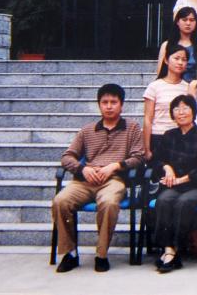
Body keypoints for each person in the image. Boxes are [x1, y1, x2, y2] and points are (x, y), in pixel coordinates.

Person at [52, 83, 144, 273]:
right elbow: (67, 157)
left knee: (109, 203)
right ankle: (70, 254)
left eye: (113, 102)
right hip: (85, 180)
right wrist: (83, 169)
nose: (109, 106)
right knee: (60, 201)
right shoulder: (87, 130)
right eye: (105, 102)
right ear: (99, 105)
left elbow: (139, 157)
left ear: (121, 105)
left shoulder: (132, 128)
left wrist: (115, 166)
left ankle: (101, 255)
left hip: (113, 180)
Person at [151, 95, 197, 273]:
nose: (181, 112)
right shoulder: (169, 136)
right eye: (177, 109)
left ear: (193, 111)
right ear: (172, 114)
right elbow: (156, 159)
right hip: (174, 186)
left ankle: (176, 250)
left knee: (183, 203)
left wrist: (182, 179)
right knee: (163, 200)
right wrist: (167, 168)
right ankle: (169, 250)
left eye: (185, 108)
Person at [144, 43, 190, 164]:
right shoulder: (154, 86)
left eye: (184, 59)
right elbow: (148, 119)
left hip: (181, 137)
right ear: (166, 60)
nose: (180, 62)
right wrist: (147, 148)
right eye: (176, 58)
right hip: (158, 137)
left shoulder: (188, 88)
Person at [157, 7, 197, 81]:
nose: (188, 23)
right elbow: (160, 72)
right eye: (184, 20)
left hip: (193, 86)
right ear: (177, 22)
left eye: (192, 20)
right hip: (171, 86)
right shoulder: (167, 45)